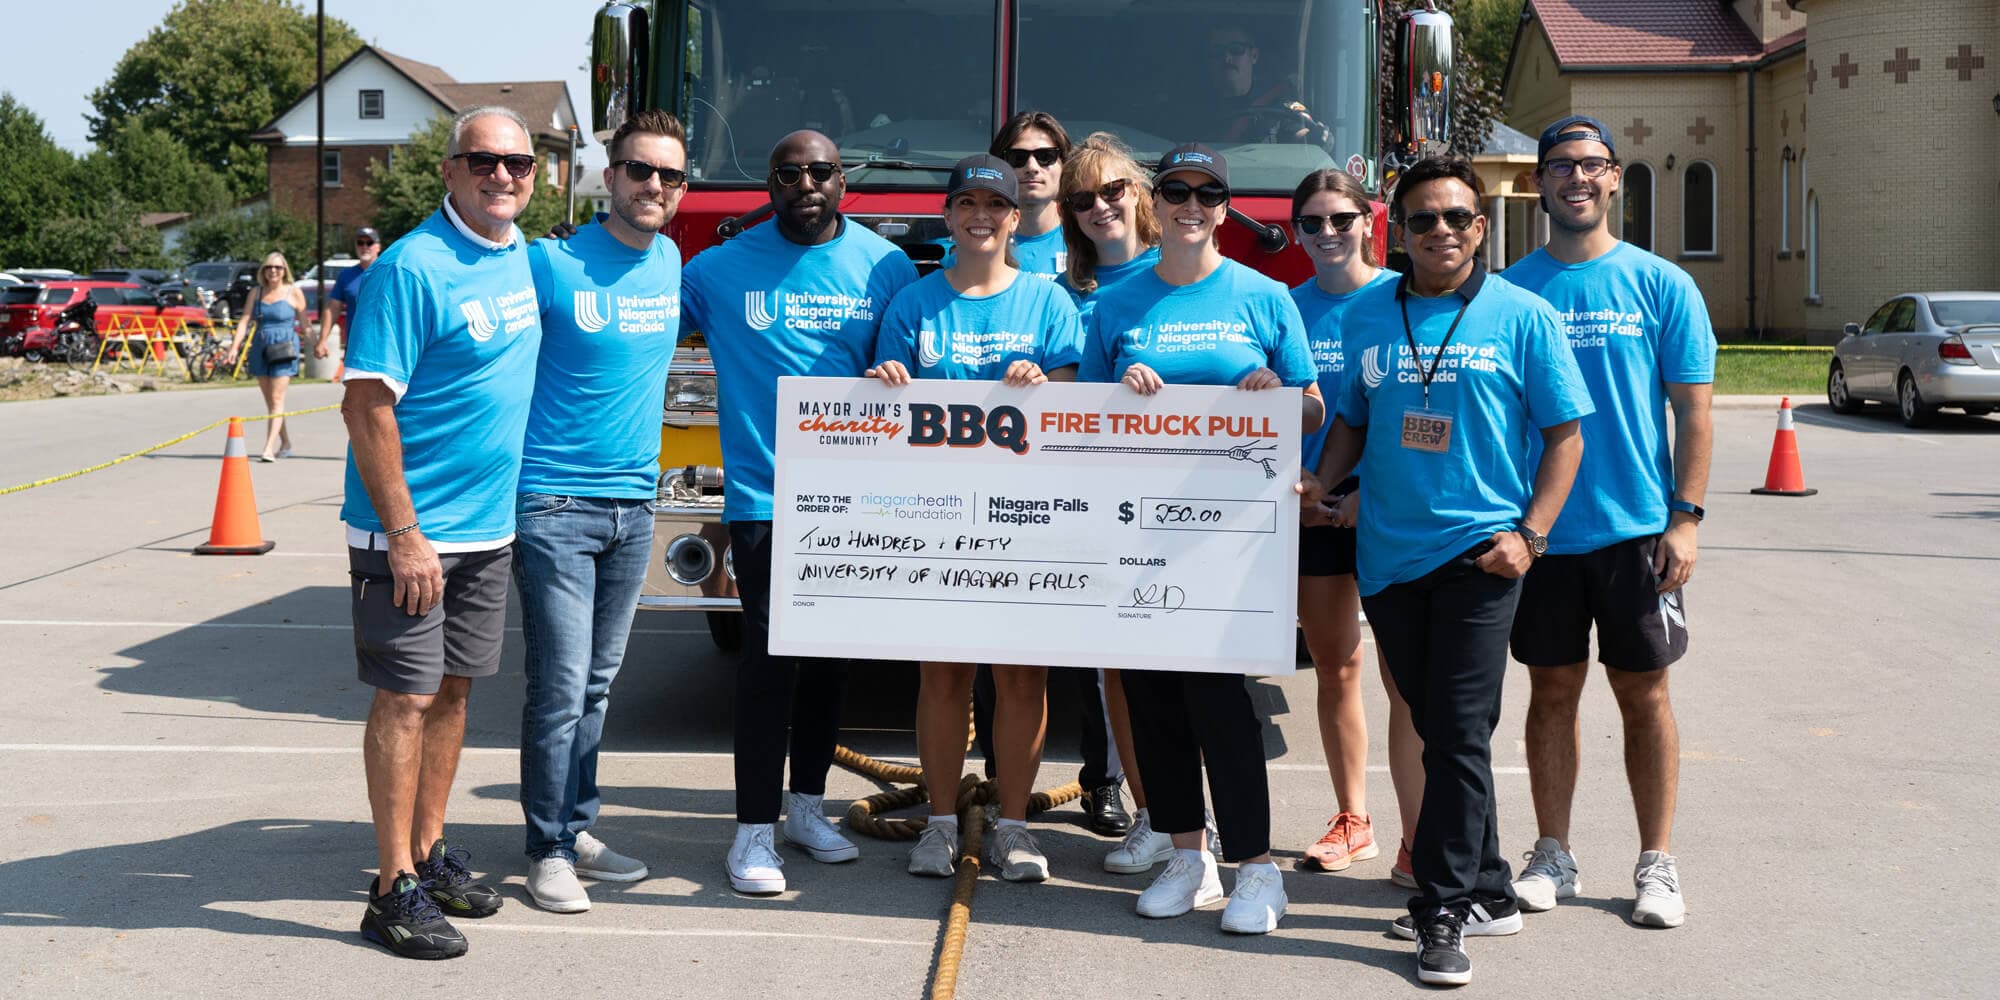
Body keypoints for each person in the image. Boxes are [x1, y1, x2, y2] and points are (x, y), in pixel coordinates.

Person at [1303, 155, 1591, 986]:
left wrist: (1530, 538)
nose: (1441, 231)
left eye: (1457, 218)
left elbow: (1565, 436)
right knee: (1439, 732)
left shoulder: (1522, 317)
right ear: (1400, 229)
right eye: (1424, 218)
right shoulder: (1366, 316)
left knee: (1460, 734)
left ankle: (1442, 911)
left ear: (1482, 227)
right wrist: (1326, 479)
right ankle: (1492, 888)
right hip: (1388, 558)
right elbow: (1353, 420)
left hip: (1480, 556)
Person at [1080, 143, 1323, 935]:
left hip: (1231, 538)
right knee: (1153, 701)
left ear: (1224, 206)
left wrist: (1274, 394)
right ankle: (1189, 855)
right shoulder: (1118, 303)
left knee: (1220, 701)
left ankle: (1257, 869)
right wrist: (1120, 391)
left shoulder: (1263, 294)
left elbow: (1314, 406)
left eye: (1207, 193)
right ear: (1158, 201)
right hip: (1138, 529)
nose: (1191, 204)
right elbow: (1080, 415)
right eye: (1176, 191)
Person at [678, 130, 920, 895]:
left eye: (821, 171)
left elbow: (908, 364)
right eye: (790, 173)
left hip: (854, 499)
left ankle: (807, 809)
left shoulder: (883, 265)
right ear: (771, 182)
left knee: (831, 665)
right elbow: (639, 339)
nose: (806, 183)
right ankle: (752, 835)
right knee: (769, 664)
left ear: (842, 180)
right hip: (763, 501)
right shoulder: (714, 270)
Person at [1501, 116, 1715, 930]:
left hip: (1637, 532)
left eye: (1591, 165)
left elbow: (1693, 414)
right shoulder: (1513, 291)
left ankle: (1656, 864)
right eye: (1560, 166)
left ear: (1616, 177)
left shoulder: (1662, 285)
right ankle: (1552, 851)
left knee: (1644, 694)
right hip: (1544, 532)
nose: (1576, 179)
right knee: (1551, 690)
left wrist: (1684, 519)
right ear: (1540, 183)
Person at [341, 106, 544, 960]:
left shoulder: (519, 253)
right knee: (408, 698)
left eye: (519, 164)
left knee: (457, 693)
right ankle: (390, 889)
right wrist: (406, 533)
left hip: (487, 529)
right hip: (414, 532)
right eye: (484, 161)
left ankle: (428, 852)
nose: (503, 176)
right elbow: (365, 403)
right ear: (450, 171)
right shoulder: (412, 268)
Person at [868, 154, 1084, 882]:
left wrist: (1042, 384)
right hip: (935, 517)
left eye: (996, 206)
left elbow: (1075, 410)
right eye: (968, 205)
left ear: (1015, 218)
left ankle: (1015, 828)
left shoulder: (1049, 302)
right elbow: (879, 412)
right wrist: (887, 382)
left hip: (1026, 518)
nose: (982, 217)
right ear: (949, 216)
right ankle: (937, 823)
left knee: (1023, 677)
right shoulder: (914, 305)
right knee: (944, 674)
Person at [513, 109, 689, 914]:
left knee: (597, 685)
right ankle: (546, 850)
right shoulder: (549, 263)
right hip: (553, 502)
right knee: (559, 685)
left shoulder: (674, 262)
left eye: (672, 176)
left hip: (634, 507)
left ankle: (576, 827)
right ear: (609, 177)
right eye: (641, 171)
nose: (656, 186)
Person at [1286, 170, 1417, 880]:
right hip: (1309, 510)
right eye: (1312, 223)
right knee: (1335, 667)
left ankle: (1419, 836)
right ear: (1298, 231)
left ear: (1368, 221)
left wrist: (1372, 491)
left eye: (1341, 219)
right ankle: (1354, 820)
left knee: (1407, 683)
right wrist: (1306, 491)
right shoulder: (1284, 306)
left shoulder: (1402, 298)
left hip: (1391, 513)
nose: (1328, 234)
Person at [1052, 132, 1175, 872]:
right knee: (1118, 671)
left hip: (1181, 502)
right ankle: (1153, 812)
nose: (1100, 207)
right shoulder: (1063, 293)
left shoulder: (1184, 275)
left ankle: (1199, 817)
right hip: (1093, 501)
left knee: (1188, 668)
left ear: (1140, 194)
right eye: (1083, 199)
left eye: (1112, 190)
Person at [226, 251, 308, 462]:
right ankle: (286, 442)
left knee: (277, 399)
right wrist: (234, 348)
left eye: (278, 267)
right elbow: (245, 320)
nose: (273, 271)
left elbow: (305, 324)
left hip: (285, 349)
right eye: (269, 267)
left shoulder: (294, 292)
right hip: (261, 347)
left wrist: (317, 344)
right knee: (271, 402)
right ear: (263, 271)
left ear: (284, 271)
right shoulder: (256, 292)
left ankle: (269, 448)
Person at [317, 227, 381, 362]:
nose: (364, 247)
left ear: (378, 247)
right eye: (360, 243)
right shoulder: (346, 275)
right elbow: (333, 308)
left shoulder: (389, 272)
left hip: (384, 345)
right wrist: (322, 340)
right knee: (354, 383)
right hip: (355, 345)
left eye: (369, 243)